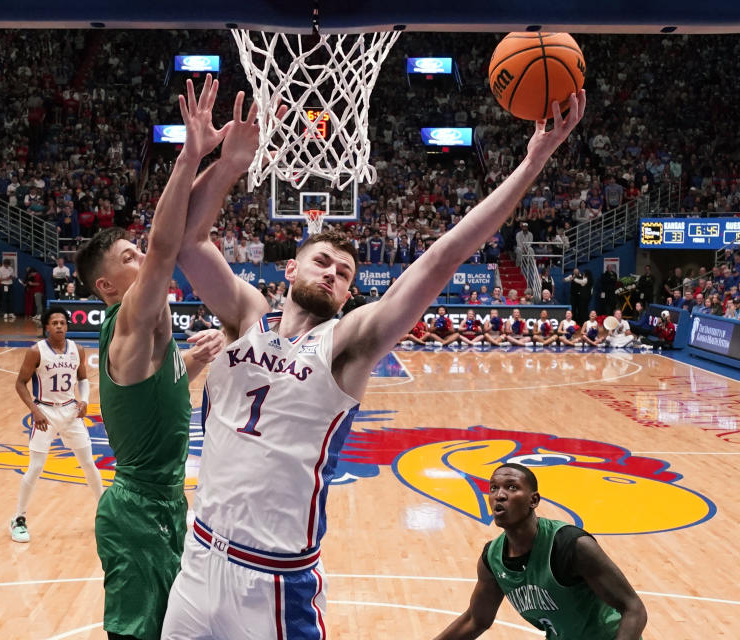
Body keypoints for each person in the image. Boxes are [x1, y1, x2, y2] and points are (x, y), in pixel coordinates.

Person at [161, 88, 585, 638]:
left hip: (273, 583)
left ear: (347, 297)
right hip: (197, 561)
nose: (332, 274)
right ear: (290, 268)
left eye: (344, 274)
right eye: (322, 262)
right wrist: (227, 164)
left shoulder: (346, 343)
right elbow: (187, 243)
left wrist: (533, 161)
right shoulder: (245, 314)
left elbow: (442, 257)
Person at [73, 76, 227, 640]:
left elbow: (180, 236)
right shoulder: (128, 326)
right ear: (109, 288)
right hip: (136, 511)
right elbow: (168, 244)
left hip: (166, 504)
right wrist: (191, 155)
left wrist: (228, 165)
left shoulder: (152, 342)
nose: (146, 258)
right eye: (130, 257)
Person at [432, 463, 647, 640]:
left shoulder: (571, 545)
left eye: (512, 487)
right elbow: (475, 620)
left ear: (533, 500)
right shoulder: (492, 558)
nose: (499, 495)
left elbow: (633, 608)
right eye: (493, 488)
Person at [10, 307, 104, 543]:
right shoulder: (36, 351)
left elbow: (83, 379)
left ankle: (105, 513)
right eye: (55, 323)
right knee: (36, 467)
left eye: (63, 322)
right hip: (46, 412)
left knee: (88, 463)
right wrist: (34, 410)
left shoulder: (77, 349)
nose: (60, 326)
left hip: (71, 411)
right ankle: (18, 518)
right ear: (47, 327)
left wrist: (84, 401)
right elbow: (20, 383)